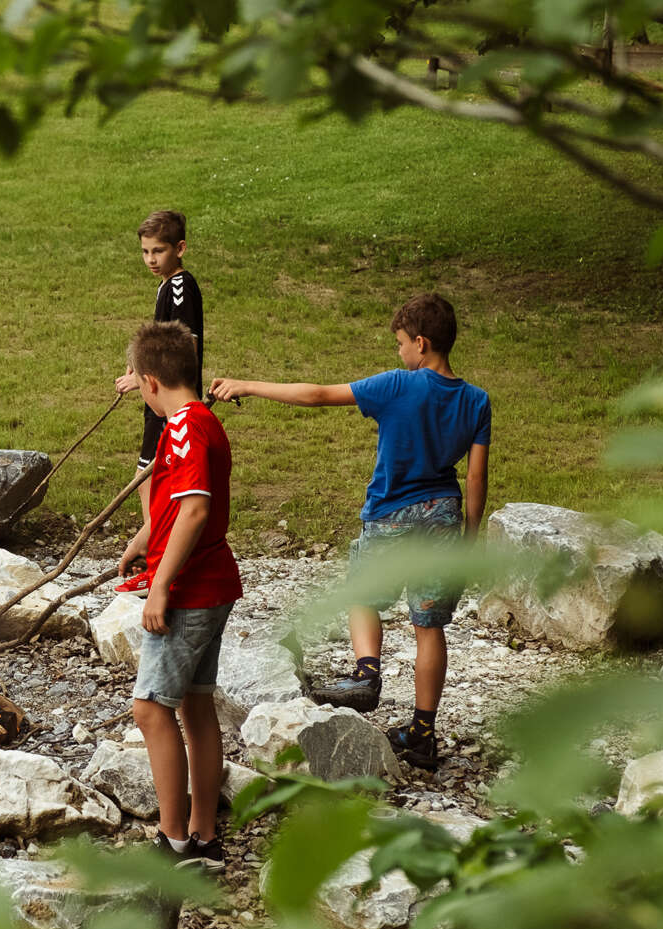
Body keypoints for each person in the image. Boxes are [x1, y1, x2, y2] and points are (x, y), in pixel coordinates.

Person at [210, 293, 490, 771]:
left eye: (401, 343)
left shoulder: (398, 385)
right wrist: (468, 536)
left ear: (420, 344)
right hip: (444, 515)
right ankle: (422, 734)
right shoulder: (476, 400)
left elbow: (318, 395)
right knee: (429, 626)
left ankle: (366, 674)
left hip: (391, 513)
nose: (399, 352)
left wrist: (248, 385)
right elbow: (477, 477)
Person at [119, 321, 241, 867]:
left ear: (150, 382)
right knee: (195, 706)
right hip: (214, 581)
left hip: (191, 589)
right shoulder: (195, 423)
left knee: (149, 709)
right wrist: (141, 540)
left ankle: (171, 843)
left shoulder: (187, 426)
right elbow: (178, 506)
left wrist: (160, 588)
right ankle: (205, 837)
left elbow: (194, 509)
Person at [115, 210, 204, 537]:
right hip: (160, 400)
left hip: (171, 403)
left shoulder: (180, 285)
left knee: (151, 481)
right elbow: (161, 342)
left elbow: (183, 348)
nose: (150, 259)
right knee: (149, 480)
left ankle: (157, 555)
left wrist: (139, 380)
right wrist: (140, 364)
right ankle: (156, 555)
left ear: (179, 248)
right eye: (145, 251)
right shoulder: (168, 285)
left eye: (158, 251)